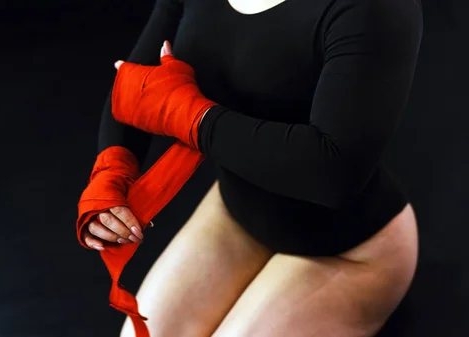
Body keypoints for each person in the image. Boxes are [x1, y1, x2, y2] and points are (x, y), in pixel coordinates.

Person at [78, 0, 423, 336]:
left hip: (348, 251)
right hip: (235, 215)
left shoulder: (377, 7)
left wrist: (192, 119)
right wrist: (112, 168)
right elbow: (137, 81)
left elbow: (333, 174)